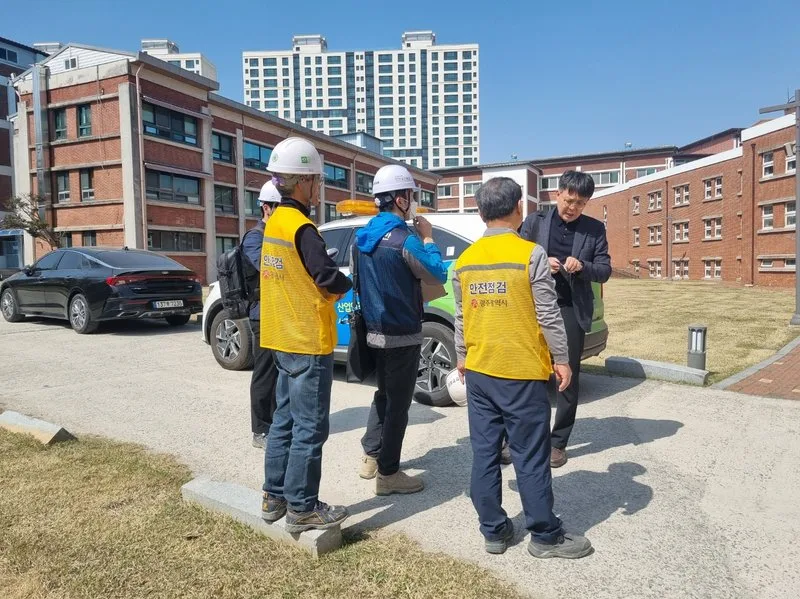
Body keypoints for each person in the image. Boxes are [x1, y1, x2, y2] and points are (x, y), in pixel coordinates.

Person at [454, 177, 592, 559]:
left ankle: (494, 531)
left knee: (484, 453)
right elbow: (549, 315)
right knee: (530, 454)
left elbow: (461, 315)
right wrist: (561, 359)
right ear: (518, 209)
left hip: (480, 371)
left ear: (482, 214)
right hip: (520, 371)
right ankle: (545, 536)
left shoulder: (464, 262)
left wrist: (462, 355)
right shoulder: (530, 255)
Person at [259, 137, 353, 533]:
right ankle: (302, 507)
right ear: (301, 183)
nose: (318, 187)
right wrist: (347, 282)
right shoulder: (302, 227)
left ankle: (274, 495)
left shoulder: (275, 222)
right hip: (306, 338)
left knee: (283, 421)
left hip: (281, 335)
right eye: (316, 180)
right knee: (310, 428)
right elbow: (326, 277)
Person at [354, 164, 448, 496]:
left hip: (373, 331)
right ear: (400, 198)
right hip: (402, 332)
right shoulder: (404, 240)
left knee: (383, 394)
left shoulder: (362, 236)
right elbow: (437, 273)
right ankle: (389, 474)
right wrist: (428, 237)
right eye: (410, 195)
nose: (413, 201)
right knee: (399, 404)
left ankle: (370, 454)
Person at [519, 170, 611, 468]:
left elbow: (605, 270)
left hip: (570, 308)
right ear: (558, 193)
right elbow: (516, 256)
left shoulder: (594, 230)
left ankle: (558, 442)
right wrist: (541, 262)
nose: (572, 207)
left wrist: (582, 265)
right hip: (532, 307)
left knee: (567, 378)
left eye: (580, 203)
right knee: (528, 376)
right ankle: (523, 439)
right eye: (569, 200)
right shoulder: (535, 222)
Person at [242, 180, 281, 449]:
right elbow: (266, 267)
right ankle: (261, 430)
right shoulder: (255, 237)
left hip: (280, 310)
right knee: (265, 372)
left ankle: (277, 421)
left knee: (281, 371)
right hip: (262, 313)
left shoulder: (279, 234)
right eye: (278, 207)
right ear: (266, 207)